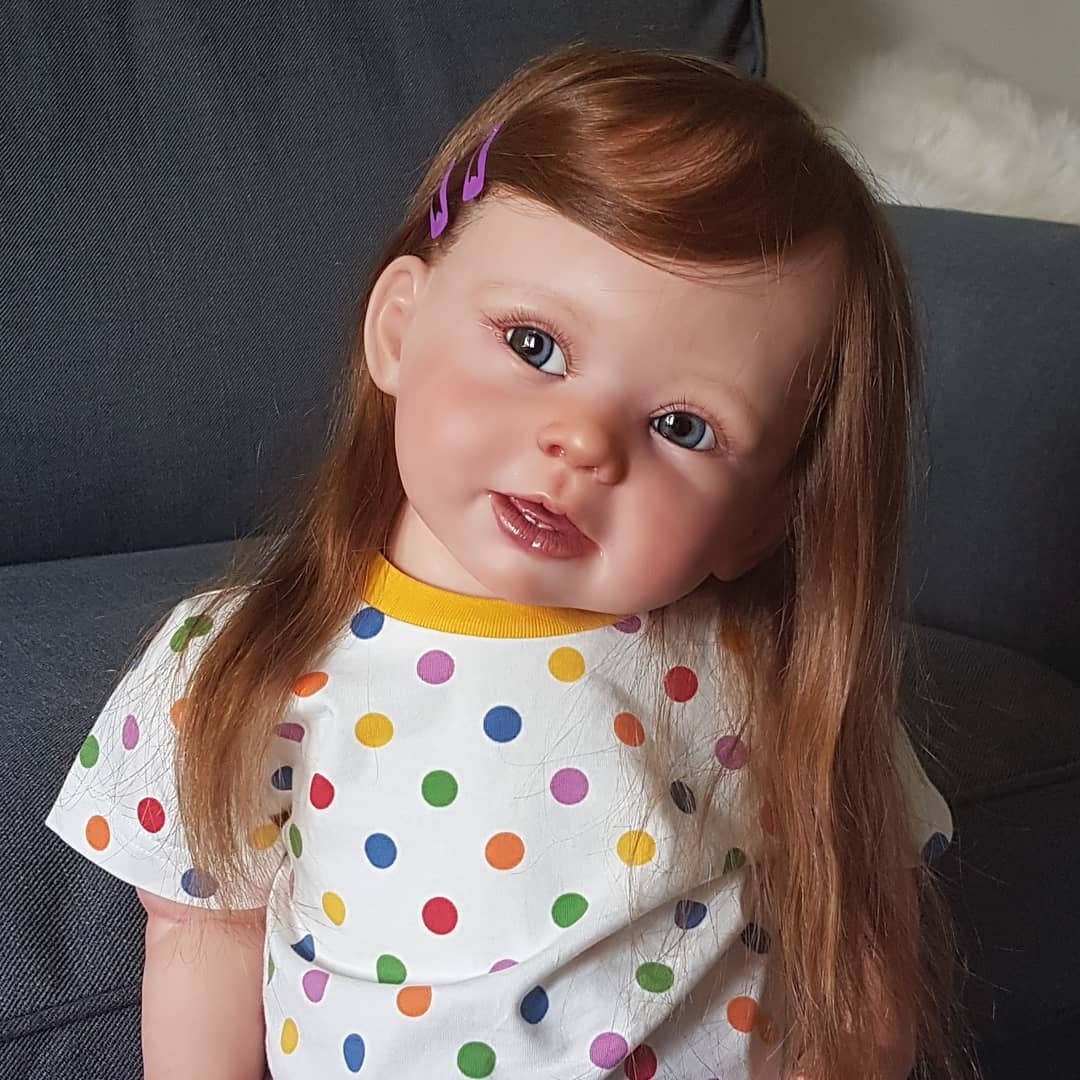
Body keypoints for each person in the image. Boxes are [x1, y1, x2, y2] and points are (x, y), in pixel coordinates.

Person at [44, 43, 973, 1080]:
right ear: (400, 330)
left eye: (682, 425)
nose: (582, 442)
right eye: (535, 345)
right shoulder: (243, 658)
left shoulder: (773, 675)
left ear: (759, 520)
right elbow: (199, 932)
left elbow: (860, 957)